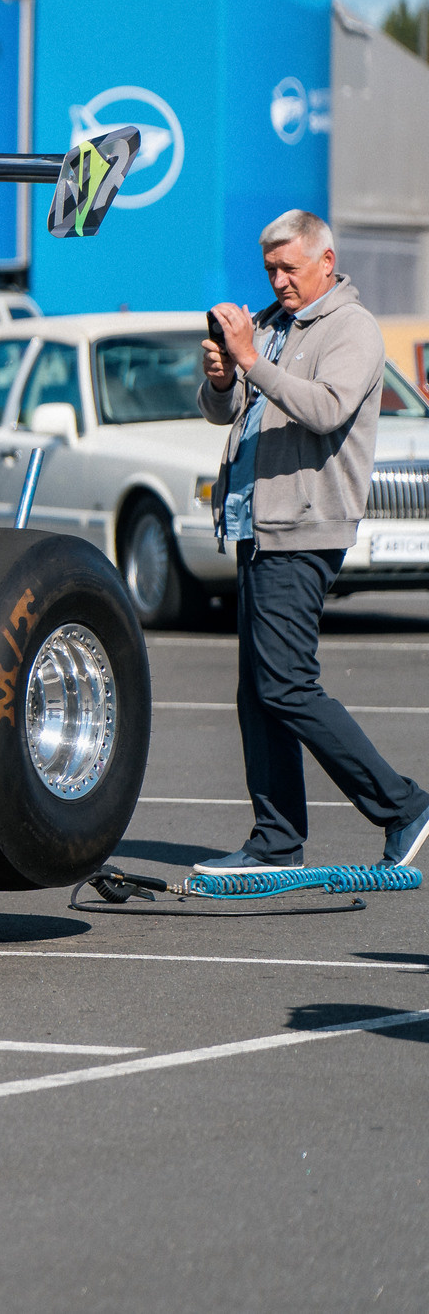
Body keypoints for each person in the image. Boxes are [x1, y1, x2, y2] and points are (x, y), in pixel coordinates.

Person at [197, 209, 429, 873]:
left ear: (326, 261)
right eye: (270, 268)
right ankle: (276, 841)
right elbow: (224, 411)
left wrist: (249, 359)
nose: (278, 280)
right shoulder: (273, 325)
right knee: (258, 691)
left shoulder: (351, 327)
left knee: (287, 685)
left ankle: (403, 805)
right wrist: (223, 377)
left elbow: (326, 409)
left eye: (289, 268)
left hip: (304, 526)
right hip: (255, 525)